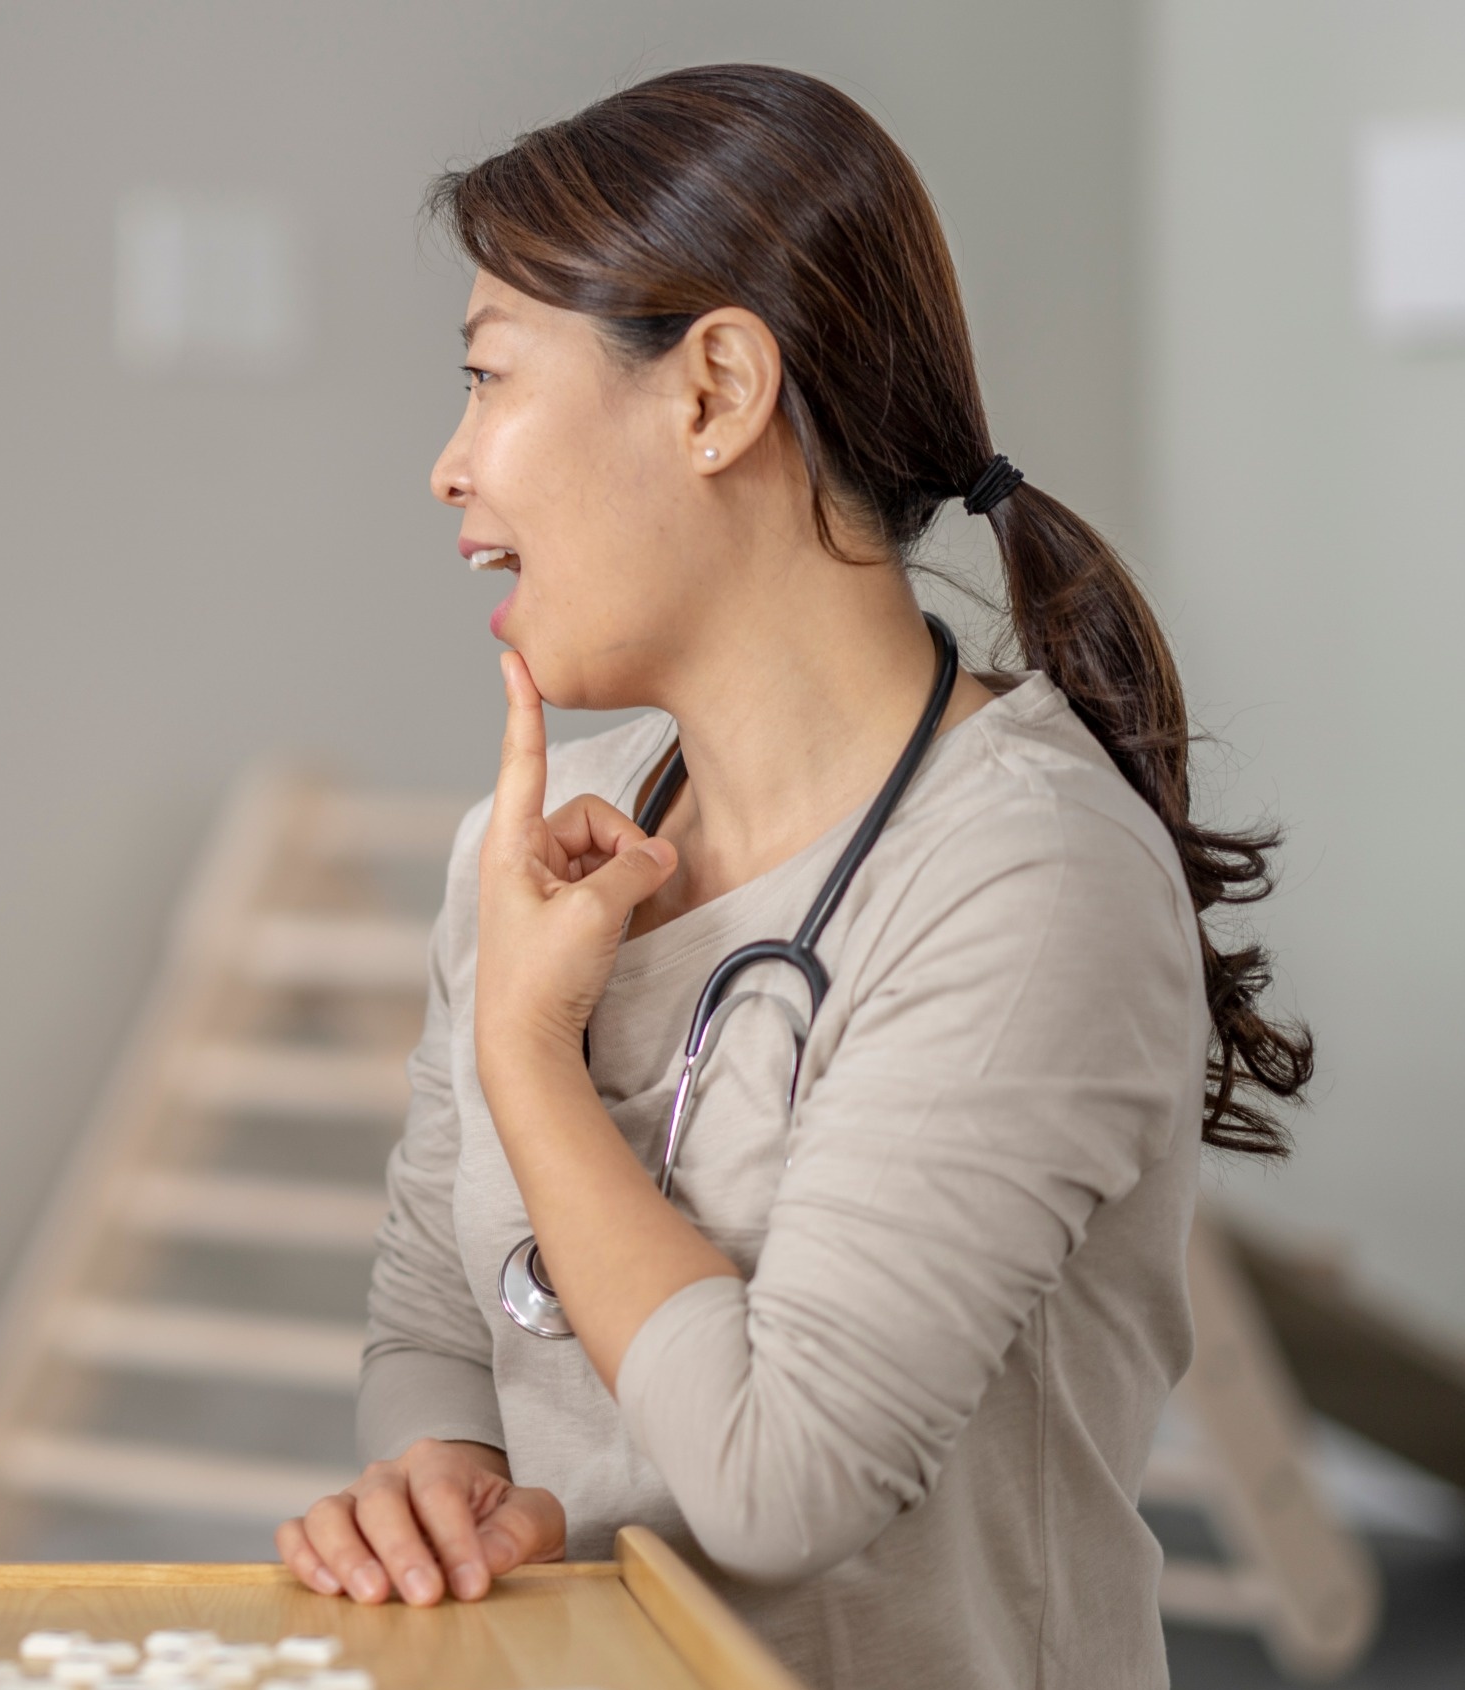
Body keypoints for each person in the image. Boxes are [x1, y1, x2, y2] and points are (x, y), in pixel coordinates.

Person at [276, 66, 1311, 1689]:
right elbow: (434, 1324)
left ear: (715, 393)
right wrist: (432, 1480)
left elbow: (778, 1480)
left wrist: (530, 1062)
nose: (448, 467)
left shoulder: (1025, 878)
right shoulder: (536, 845)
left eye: (487, 378)